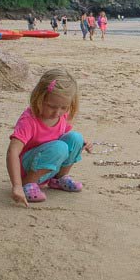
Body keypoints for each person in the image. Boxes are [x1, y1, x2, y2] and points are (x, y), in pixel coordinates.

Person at [6, 69, 93, 205]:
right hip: (28, 167)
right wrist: (16, 185)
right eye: (51, 106)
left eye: (64, 107)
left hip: (50, 164)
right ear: (39, 98)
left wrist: (84, 142)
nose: (57, 112)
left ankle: (59, 178)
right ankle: (28, 183)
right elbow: (12, 152)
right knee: (60, 147)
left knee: (76, 138)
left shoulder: (61, 116)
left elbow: (66, 136)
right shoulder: (29, 120)